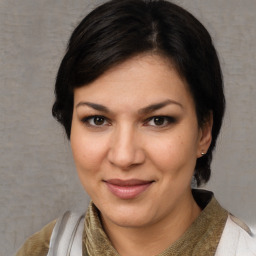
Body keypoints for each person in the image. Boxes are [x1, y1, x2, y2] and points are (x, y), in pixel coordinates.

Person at [16, 0, 256, 255]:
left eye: (158, 120)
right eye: (97, 119)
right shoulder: (41, 250)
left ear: (204, 131)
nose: (124, 156)